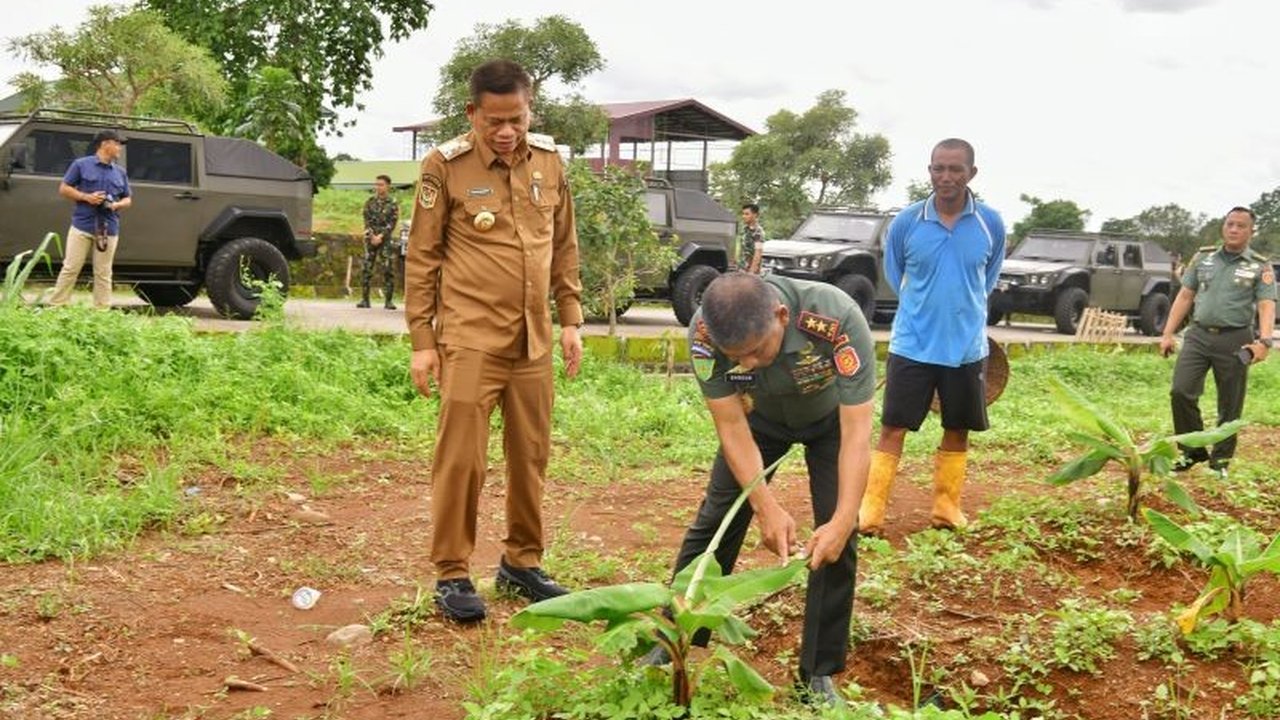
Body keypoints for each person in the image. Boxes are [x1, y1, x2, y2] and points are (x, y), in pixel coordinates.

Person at [404, 59, 584, 623]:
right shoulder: (444, 166)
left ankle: (522, 562)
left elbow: (564, 245)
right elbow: (423, 256)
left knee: (531, 455)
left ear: (530, 111)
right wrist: (422, 341)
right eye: (494, 121)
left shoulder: (549, 162)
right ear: (472, 114)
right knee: (462, 460)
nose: (506, 131)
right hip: (470, 338)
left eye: (516, 119)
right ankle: (452, 572)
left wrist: (571, 318)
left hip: (534, 340)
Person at [652, 271, 875, 706]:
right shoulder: (704, 334)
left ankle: (817, 673)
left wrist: (844, 519)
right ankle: (674, 637)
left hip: (831, 423)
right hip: (758, 421)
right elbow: (731, 426)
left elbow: (857, 435)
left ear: (782, 315)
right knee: (717, 519)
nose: (749, 363)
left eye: (756, 350)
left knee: (837, 535)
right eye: (737, 357)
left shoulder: (836, 318)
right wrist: (765, 507)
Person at [857, 138, 1005, 535]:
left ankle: (946, 510)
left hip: (966, 349)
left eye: (956, 169)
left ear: (972, 173)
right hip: (912, 345)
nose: (946, 176)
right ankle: (870, 514)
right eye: (939, 168)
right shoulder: (907, 222)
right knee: (893, 427)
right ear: (929, 171)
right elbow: (896, 274)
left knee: (957, 427)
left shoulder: (990, 223)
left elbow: (986, 279)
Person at [1159, 207, 1275, 478]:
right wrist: (1167, 334)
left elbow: (1266, 304)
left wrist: (1265, 341)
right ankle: (1192, 451)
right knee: (1181, 391)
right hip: (1197, 335)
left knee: (1230, 403)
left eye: (1241, 226)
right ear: (1223, 227)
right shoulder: (1203, 257)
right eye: (1230, 224)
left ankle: (1220, 461)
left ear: (1251, 231)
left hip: (1236, 339)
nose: (1234, 229)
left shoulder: (1260, 265)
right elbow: (1185, 296)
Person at [49, 129, 132, 308]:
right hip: (82, 225)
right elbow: (64, 188)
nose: (120, 148)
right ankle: (56, 308)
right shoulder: (81, 165)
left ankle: (102, 312)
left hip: (108, 229)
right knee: (70, 268)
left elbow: (128, 199)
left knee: (103, 272)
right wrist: (86, 197)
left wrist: (116, 205)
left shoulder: (120, 172)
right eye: (117, 144)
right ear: (105, 144)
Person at [358, 174, 400, 309]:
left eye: (381, 185)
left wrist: (381, 236)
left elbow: (392, 223)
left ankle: (388, 301)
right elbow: (366, 221)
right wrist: (372, 236)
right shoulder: (370, 202)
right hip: (370, 239)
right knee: (366, 268)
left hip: (385, 240)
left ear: (388, 186)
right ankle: (365, 300)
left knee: (388, 269)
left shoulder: (392, 203)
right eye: (376, 184)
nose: (378, 187)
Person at [740, 202, 765, 274]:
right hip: (742, 268)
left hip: (751, 271)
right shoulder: (745, 229)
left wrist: (752, 271)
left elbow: (758, 252)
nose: (744, 216)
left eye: (747, 214)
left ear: (755, 215)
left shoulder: (758, 231)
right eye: (743, 214)